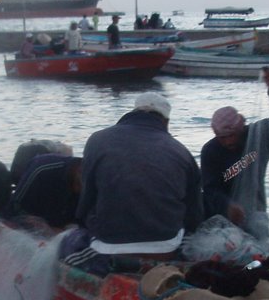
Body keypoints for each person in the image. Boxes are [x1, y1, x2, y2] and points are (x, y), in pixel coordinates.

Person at [62, 92, 203, 273]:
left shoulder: (97, 140)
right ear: (166, 122)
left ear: (134, 111)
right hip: (166, 247)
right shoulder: (181, 151)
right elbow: (194, 216)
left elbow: (86, 199)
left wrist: (82, 224)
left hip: (109, 246)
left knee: (68, 243)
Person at [200, 67, 269, 240]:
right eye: (222, 137)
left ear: (241, 128)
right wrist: (228, 205)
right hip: (223, 216)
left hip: (255, 212)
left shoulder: (259, 136)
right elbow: (210, 189)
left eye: (232, 135)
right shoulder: (211, 150)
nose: (228, 141)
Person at [8, 153, 82, 228]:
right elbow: (15, 207)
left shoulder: (90, 186)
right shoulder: (43, 168)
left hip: (62, 228)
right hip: (28, 226)